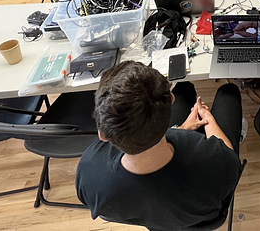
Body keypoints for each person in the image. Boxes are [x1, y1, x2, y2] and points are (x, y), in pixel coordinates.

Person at [76, 61, 242, 230]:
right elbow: (229, 156)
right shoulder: (216, 163)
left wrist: (182, 128)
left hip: (157, 221)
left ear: (102, 134)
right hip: (204, 217)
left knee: (184, 88)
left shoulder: (89, 171)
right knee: (228, 93)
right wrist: (208, 119)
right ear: (171, 100)